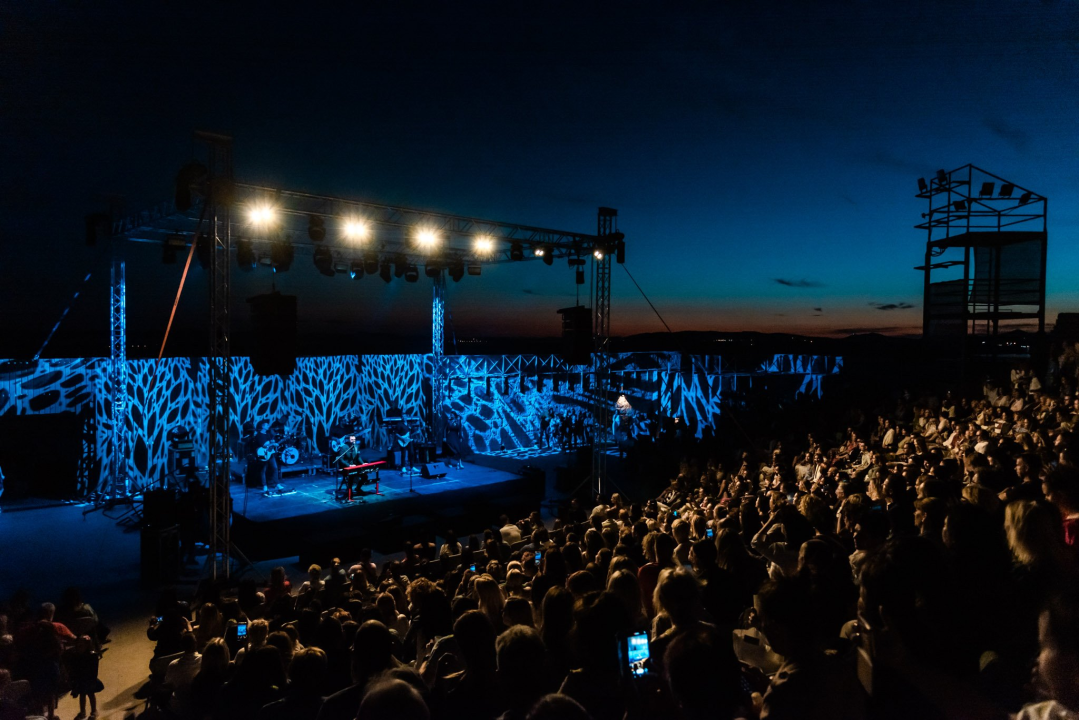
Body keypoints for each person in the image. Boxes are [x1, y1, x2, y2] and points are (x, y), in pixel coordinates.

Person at [64, 635, 103, 720]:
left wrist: (93, 680)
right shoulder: (76, 655)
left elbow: (94, 669)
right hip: (81, 678)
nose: (79, 647)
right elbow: (73, 668)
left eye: (82, 645)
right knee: (82, 695)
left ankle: (94, 711)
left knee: (91, 694)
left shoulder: (92, 656)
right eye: (78, 645)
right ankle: (82, 711)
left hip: (89, 678)